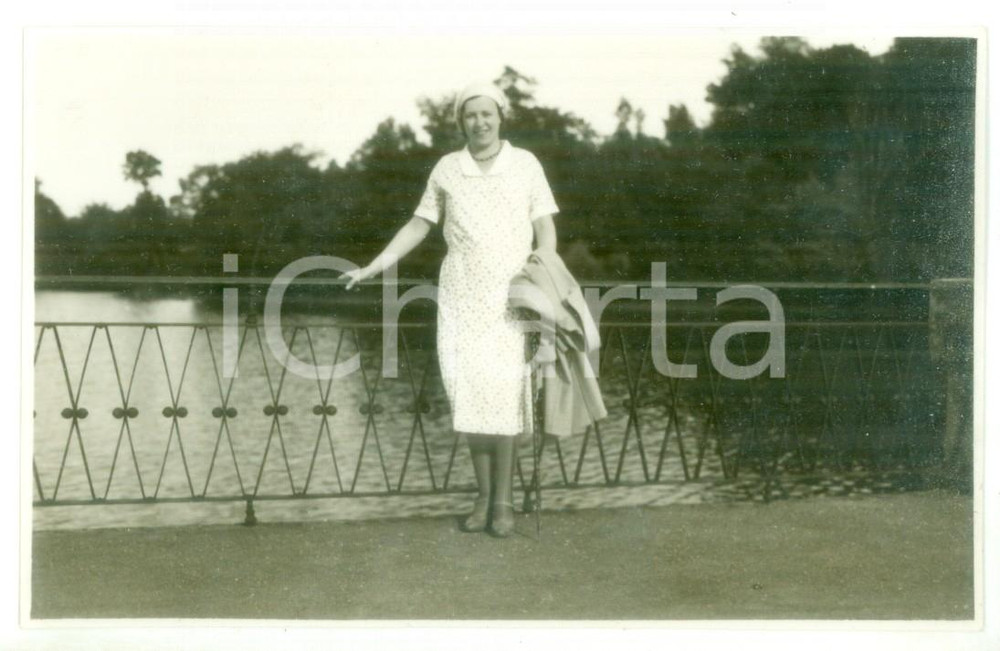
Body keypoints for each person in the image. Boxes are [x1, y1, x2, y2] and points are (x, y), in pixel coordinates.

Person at [340, 82, 559, 537]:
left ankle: (503, 503)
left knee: (504, 398)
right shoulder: (447, 168)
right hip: (461, 295)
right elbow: (419, 224)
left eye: (487, 113)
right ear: (460, 121)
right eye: (470, 115)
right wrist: (372, 267)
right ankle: (482, 496)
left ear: (501, 115)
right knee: (470, 395)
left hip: (510, 297)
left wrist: (540, 275)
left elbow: (545, 230)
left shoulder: (525, 164)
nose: (479, 122)